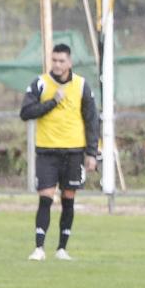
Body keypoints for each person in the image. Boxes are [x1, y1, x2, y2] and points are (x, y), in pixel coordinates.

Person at [19, 42, 100, 261]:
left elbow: (92, 120)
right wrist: (52, 102)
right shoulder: (40, 84)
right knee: (45, 197)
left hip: (74, 151)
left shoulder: (82, 85)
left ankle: (62, 249)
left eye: (61, 60)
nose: (57, 64)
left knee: (68, 199)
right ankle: (39, 248)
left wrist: (92, 153)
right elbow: (25, 112)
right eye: (54, 60)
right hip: (47, 151)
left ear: (69, 62)